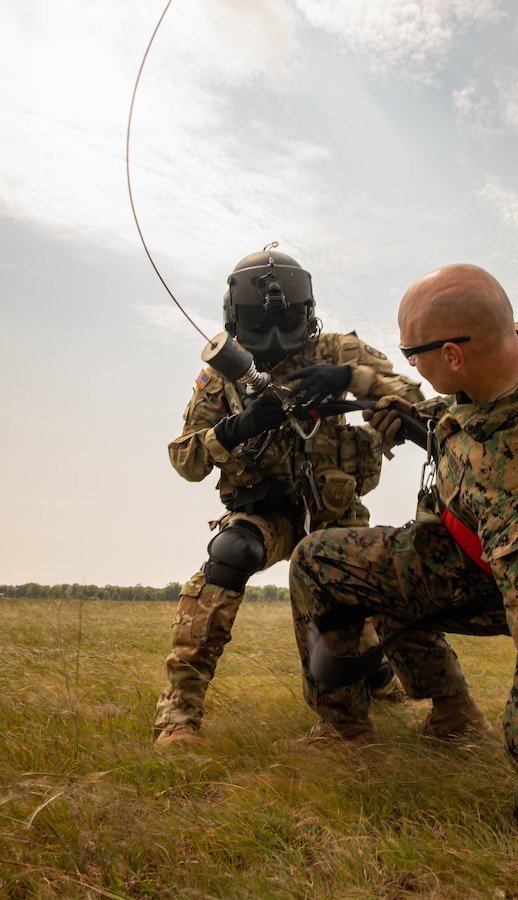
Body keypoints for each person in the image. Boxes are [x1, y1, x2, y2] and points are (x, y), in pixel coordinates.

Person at [285, 262, 518, 848]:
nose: (409, 366)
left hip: (498, 581)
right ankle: (453, 715)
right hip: (465, 548)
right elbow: (476, 421)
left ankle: (345, 732)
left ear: (454, 355)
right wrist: (415, 423)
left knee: (319, 561)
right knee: (399, 564)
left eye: (413, 355)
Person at [153, 245, 424, 747]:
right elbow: (184, 459)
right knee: (230, 555)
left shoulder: (338, 351)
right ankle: (180, 713)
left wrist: (347, 380)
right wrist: (233, 430)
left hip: (336, 514)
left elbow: (411, 395)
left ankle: (381, 680)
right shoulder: (221, 377)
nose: (275, 340)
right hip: (268, 512)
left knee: (361, 595)